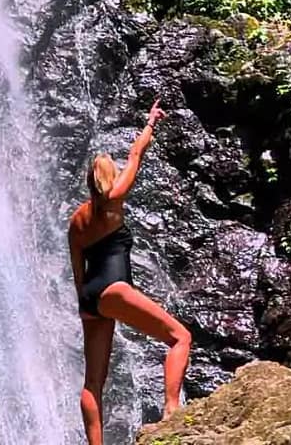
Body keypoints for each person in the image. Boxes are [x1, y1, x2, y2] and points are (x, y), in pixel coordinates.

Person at [68, 100, 191, 445]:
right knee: (180, 337)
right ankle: (171, 411)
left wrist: (83, 304)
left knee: (93, 381)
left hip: (91, 296)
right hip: (113, 289)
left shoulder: (76, 220)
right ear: (109, 179)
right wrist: (150, 123)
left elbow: (76, 265)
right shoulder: (115, 200)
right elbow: (136, 154)